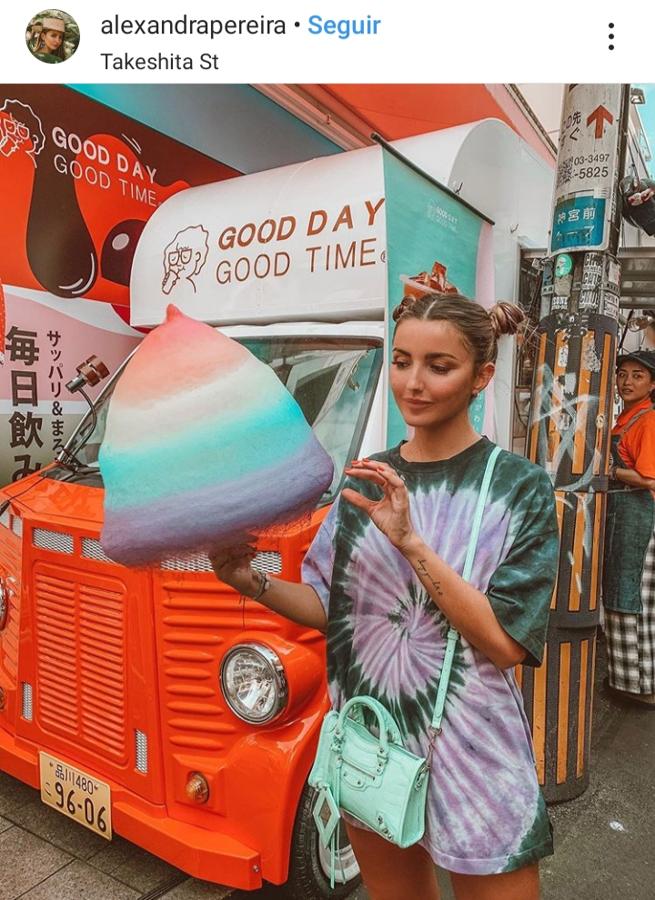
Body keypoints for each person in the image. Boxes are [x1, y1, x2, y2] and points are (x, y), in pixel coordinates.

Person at [210, 292, 559, 900]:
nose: (413, 383)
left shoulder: (517, 487)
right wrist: (251, 582)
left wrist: (411, 543)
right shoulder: (367, 478)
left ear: (481, 376)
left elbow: (505, 644)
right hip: (371, 742)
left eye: (438, 366)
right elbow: (330, 608)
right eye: (401, 362)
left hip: (473, 753)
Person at [603, 349, 655, 707]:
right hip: (624, 515)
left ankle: (639, 686)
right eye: (623, 374)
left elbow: (649, 478)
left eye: (638, 375)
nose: (627, 381)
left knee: (632, 597)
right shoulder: (626, 418)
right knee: (623, 593)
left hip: (639, 517)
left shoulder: (648, 420)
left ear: (651, 385)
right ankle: (626, 680)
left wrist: (610, 472)